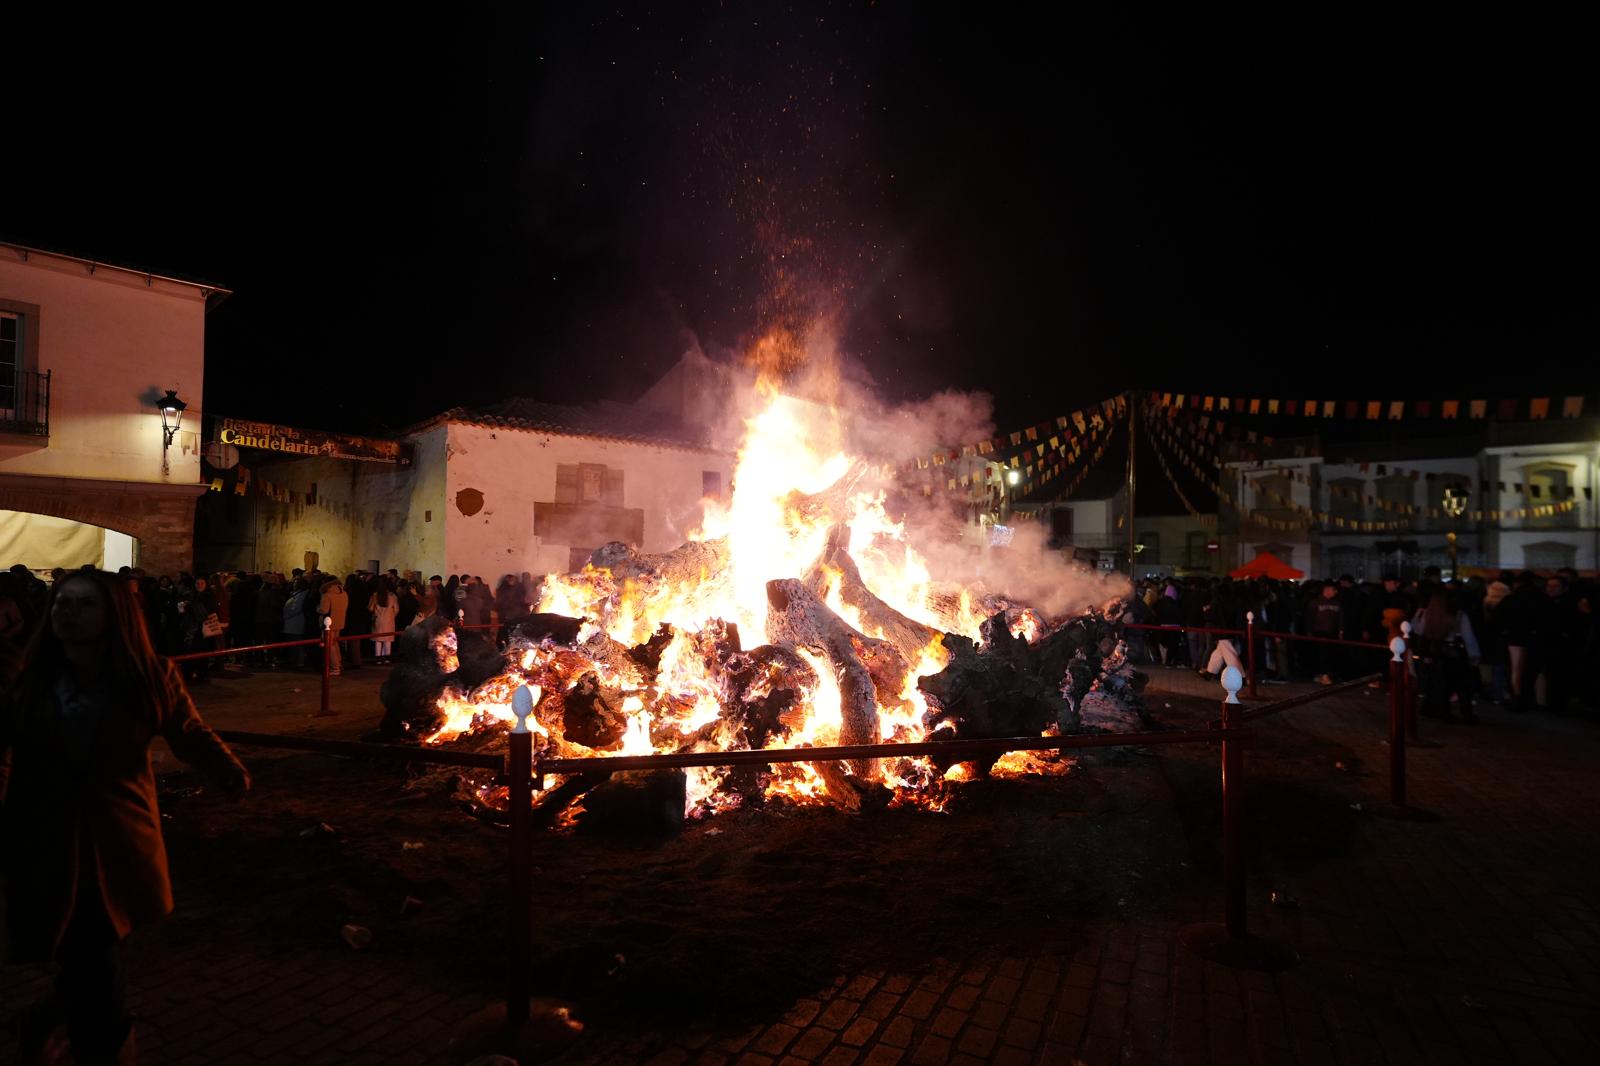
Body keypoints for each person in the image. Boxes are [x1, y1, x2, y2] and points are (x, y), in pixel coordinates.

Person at [1, 569, 250, 1063]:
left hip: (118, 841)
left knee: (92, 953)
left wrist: (225, 767)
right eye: (61, 603)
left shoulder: (148, 676)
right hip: (46, 841)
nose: (67, 612)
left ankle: (54, 1020)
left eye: (84, 604)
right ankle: (94, 1040)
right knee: (91, 960)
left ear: (115, 615)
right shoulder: (30, 678)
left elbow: (188, 731)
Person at [1411, 587, 1481, 722]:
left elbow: (1418, 630)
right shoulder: (1459, 615)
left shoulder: (1429, 614)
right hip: (1455, 652)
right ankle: (1466, 713)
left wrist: (1417, 615)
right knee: (1463, 684)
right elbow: (1469, 637)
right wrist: (1474, 655)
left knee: (1440, 684)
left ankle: (1442, 711)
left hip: (1436, 651)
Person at [317, 576, 349, 676]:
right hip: (340, 621)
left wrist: (317, 609)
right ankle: (338, 663)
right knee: (335, 644)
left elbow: (324, 610)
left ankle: (335, 667)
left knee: (329, 645)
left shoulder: (327, 595)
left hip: (328, 623)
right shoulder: (343, 593)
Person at [369, 579, 400, 662]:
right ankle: (386, 657)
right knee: (388, 639)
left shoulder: (375, 595)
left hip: (378, 619)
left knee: (378, 640)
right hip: (389, 620)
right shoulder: (392, 596)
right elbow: (396, 609)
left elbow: (371, 608)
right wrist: (392, 615)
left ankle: (378, 658)